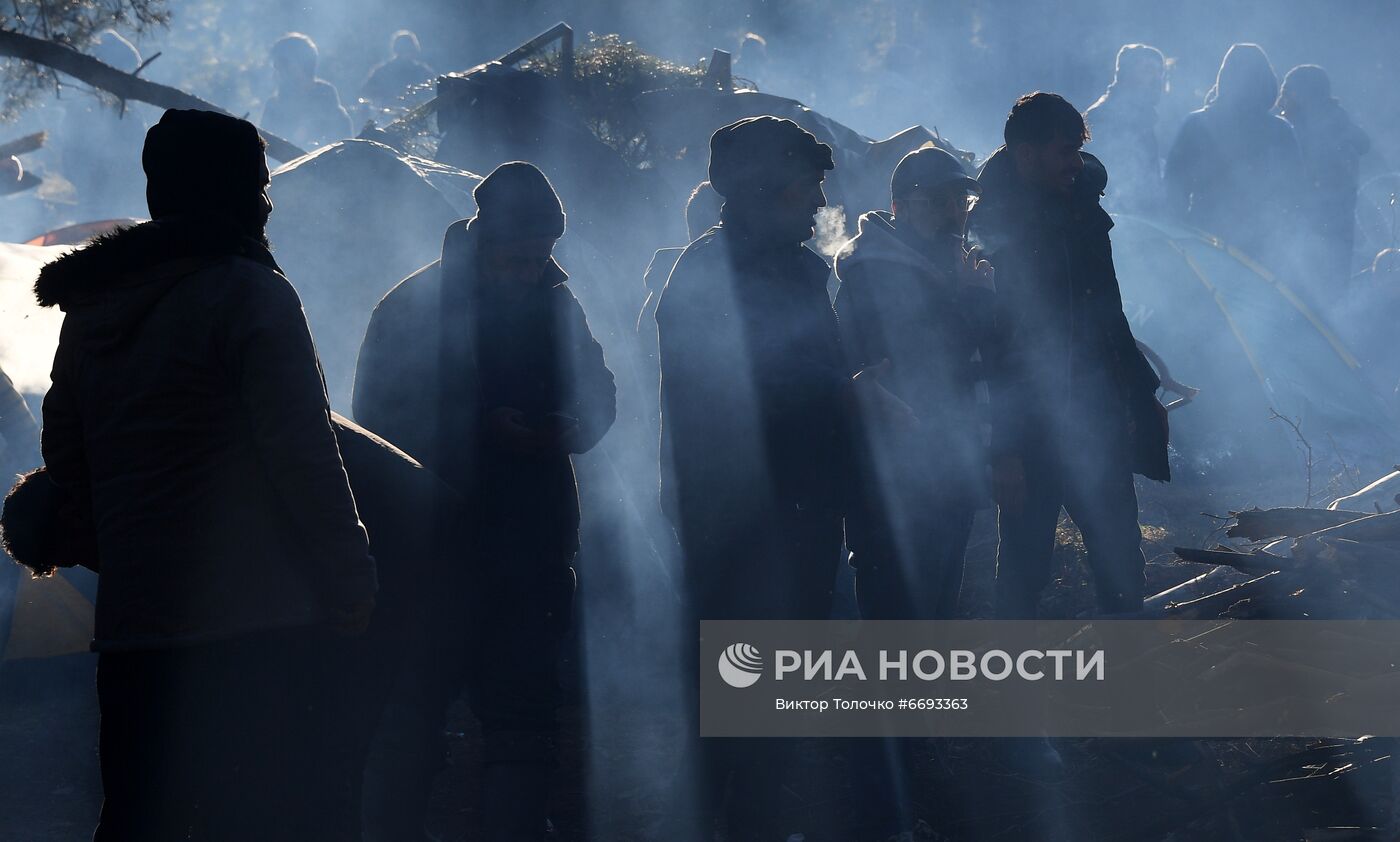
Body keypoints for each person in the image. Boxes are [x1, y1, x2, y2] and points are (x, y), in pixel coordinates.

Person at [36, 108, 377, 841]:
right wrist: (351, 577)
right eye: (257, 185)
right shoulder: (252, 295)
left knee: (143, 818)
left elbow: (67, 461)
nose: (267, 201)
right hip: (257, 626)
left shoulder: (91, 309)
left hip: (137, 625)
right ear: (228, 192)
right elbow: (304, 457)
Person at [354, 161, 616, 842]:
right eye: (519, 256)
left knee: (525, 722)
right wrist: (480, 430)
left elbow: (600, 395)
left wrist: (572, 426)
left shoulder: (557, 304)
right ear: (485, 238)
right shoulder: (412, 308)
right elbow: (377, 430)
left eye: (543, 255)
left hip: (532, 553)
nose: (532, 268)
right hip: (434, 556)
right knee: (411, 722)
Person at [656, 115, 853, 840]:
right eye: (810, 188)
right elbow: (742, 400)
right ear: (767, 190)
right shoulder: (710, 278)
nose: (818, 206)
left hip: (795, 516)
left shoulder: (794, 271)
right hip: (742, 523)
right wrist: (848, 396)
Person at [834, 144, 997, 836]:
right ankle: (879, 796)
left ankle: (910, 761)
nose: (958, 213)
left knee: (929, 615)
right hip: (895, 477)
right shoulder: (875, 272)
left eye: (961, 202)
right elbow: (867, 368)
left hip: (948, 466)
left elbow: (973, 354)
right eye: (942, 202)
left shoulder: (946, 264)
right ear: (904, 206)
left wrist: (976, 293)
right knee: (896, 625)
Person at [970, 92, 1168, 620]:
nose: (1075, 164)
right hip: (1031, 430)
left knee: (1122, 561)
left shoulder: (1082, 208)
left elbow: (1108, 312)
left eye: (1078, 152)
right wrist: (1004, 452)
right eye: (1064, 152)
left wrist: (1143, 395)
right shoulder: (990, 230)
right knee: (1024, 568)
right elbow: (997, 353)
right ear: (1025, 153)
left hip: (1094, 421)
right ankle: (1013, 693)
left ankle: (1131, 687)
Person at [1164, 43, 1305, 263]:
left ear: (1224, 78)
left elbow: (1174, 185)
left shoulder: (1196, 123)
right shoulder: (1280, 130)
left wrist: (1177, 231)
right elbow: (1294, 191)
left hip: (1205, 232)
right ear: (1267, 81)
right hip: (1264, 240)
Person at [1278, 64, 1372, 283]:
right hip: (1339, 222)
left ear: (1302, 93)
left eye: (1288, 91)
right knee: (1334, 287)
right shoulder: (1339, 120)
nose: (1283, 99)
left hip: (1307, 221)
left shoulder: (1297, 127)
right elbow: (1364, 144)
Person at [1084, 44, 1169, 214]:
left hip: (1143, 218)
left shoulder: (1144, 119)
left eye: (1159, 71)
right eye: (1148, 70)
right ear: (1125, 75)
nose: (1156, 78)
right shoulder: (1102, 117)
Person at [262, 32, 354, 149]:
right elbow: (262, 151)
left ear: (302, 64)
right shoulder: (274, 106)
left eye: (283, 63)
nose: (277, 70)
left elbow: (345, 150)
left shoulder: (327, 101)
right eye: (276, 65)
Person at [361, 30, 435, 108]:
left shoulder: (422, 71)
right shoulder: (383, 71)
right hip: (389, 114)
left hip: (415, 113)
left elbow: (433, 90)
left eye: (408, 50)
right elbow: (366, 91)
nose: (406, 54)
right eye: (404, 50)